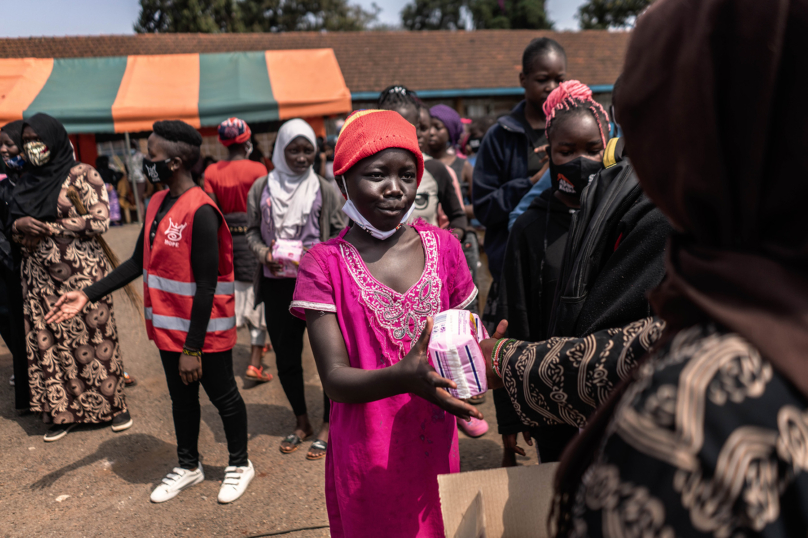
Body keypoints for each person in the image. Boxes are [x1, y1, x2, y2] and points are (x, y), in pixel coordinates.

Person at [486, 0, 808, 534]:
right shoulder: (762, 292)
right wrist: (508, 364)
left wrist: (504, 364)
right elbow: (646, 343)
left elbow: (648, 355)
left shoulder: (686, 423)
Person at [291, 109, 481, 538]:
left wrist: (485, 362)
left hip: (433, 442)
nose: (395, 188)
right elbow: (336, 380)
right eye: (377, 174)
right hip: (367, 454)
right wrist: (404, 377)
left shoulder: (444, 247)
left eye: (407, 175)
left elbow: (461, 336)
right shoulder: (324, 264)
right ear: (343, 180)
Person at [45, 120, 254, 504]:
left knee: (224, 397)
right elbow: (137, 262)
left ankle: (239, 463)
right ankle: (188, 465)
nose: (145, 160)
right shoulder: (157, 202)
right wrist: (86, 294)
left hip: (204, 333)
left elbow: (207, 286)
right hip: (168, 330)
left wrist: (193, 349)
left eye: (152, 155)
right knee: (182, 401)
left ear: (174, 163)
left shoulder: (202, 210)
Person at [497, 81, 609, 466]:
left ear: (608, 147)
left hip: (614, 389)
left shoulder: (627, 218)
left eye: (593, 150)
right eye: (567, 151)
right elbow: (513, 316)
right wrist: (513, 411)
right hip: (551, 392)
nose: (581, 160)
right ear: (550, 153)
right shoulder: (528, 229)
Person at [5, 114, 131, 441]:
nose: (33, 146)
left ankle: (113, 407)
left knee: (94, 339)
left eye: (38, 138)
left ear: (55, 139)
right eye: (28, 139)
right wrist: (18, 227)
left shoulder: (82, 174)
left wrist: (47, 227)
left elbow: (100, 220)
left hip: (82, 276)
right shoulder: (27, 179)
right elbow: (12, 224)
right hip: (37, 280)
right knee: (51, 345)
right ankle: (66, 413)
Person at [246, 118, 345, 461]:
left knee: (328, 357)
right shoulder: (262, 188)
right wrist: (265, 255)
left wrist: (317, 254)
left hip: (318, 286)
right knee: (287, 359)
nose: (302, 157)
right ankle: (301, 420)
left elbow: (339, 232)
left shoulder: (324, 188)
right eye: (294, 150)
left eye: (308, 150)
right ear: (280, 150)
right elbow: (251, 233)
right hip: (277, 288)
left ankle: (329, 424)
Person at [472, 37, 566, 326]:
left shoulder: (572, 129)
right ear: (523, 79)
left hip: (566, 268)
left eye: (559, 79)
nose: (551, 87)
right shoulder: (501, 135)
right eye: (542, 79)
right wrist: (532, 182)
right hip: (515, 271)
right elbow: (484, 208)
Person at [205, 117, 271, 382]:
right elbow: (268, 209)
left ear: (222, 142)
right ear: (247, 141)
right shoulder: (258, 169)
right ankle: (254, 363)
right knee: (258, 298)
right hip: (255, 239)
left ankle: (224, 359)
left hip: (226, 241)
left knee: (231, 296)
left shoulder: (211, 173)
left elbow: (210, 212)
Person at [0, 120, 28, 408]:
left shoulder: (35, 181)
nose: (4, 150)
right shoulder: (6, 183)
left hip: (22, 265)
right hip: (7, 265)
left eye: (9, 144)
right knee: (8, 319)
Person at [95, 156, 123, 226]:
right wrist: (113, 184)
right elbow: (119, 175)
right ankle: (113, 220)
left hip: (101, 188)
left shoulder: (96, 171)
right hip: (106, 188)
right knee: (111, 204)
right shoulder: (108, 170)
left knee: (105, 204)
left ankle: (109, 220)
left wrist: (112, 185)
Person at [129, 140, 146, 217]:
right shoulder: (127, 156)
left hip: (140, 179)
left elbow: (144, 167)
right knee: (136, 198)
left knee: (138, 198)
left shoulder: (141, 156)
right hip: (131, 179)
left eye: (132, 147)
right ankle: (140, 215)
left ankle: (141, 216)